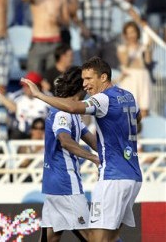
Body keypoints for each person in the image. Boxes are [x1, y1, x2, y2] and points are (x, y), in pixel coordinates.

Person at [21, 57, 142, 242]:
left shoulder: (98, 100)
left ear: (103, 77)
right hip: (128, 174)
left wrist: (39, 95)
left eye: (88, 79)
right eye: (83, 80)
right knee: (56, 237)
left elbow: (72, 110)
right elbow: (137, 118)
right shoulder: (127, 96)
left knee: (97, 239)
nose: (85, 85)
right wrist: (99, 152)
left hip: (110, 176)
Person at [39, 66, 100, 242]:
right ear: (78, 85)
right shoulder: (62, 113)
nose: (89, 85)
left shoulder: (72, 112)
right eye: (86, 81)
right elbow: (65, 140)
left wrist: (112, 153)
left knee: (50, 238)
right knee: (92, 237)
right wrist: (93, 158)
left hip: (53, 184)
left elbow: (93, 142)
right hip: (66, 184)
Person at [76, 0, 144, 69]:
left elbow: (127, 7)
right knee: (90, 72)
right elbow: (73, 12)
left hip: (107, 39)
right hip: (90, 40)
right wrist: (82, 27)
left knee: (109, 71)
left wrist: (141, 22)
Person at [21, 0, 70, 74]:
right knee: (33, 79)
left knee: (54, 81)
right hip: (38, 41)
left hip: (55, 41)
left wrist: (59, 20)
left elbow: (67, 21)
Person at [116, 21, 153, 118]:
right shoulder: (122, 48)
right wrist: (130, 47)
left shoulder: (143, 47)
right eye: (128, 33)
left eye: (133, 32)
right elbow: (125, 62)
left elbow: (148, 61)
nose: (131, 35)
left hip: (143, 77)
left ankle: (143, 131)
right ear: (125, 35)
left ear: (137, 33)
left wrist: (148, 47)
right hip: (130, 79)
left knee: (144, 109)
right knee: (129, 110)